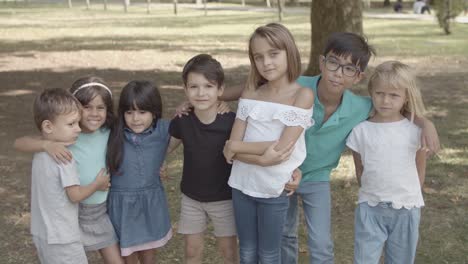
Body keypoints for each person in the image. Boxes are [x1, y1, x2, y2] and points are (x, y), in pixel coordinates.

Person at [218, 31, 439, 264]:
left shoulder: (362, 107)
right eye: (333, 63)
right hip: (281, 172)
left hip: (318, 178)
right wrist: (213, 97)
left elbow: (397, 109)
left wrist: (426, 123)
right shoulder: (297, 87)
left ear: (358, 77)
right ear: (322, 62)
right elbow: (254, 88)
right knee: (285, 235)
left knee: (321, 243)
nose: (338, 73)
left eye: (349, 69)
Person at [223, 23, 314, 263]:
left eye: (274, 54)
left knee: (270, 253)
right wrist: (260, 158)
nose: (267, 63)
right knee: (247, 251)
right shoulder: (251, 93)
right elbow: (232, 144)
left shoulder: (301, 95)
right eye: (258, 57)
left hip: (274, 188)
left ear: (289, 52)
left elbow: (282, 147)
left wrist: (237, 149)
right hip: (241, 183)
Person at [14, 77, 124, 264]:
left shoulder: (108, 132)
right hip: (73, 216)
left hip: (98, 213)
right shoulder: (65, 137)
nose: (94, 113)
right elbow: (19, 143)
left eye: (101, 107)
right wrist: (46, 144)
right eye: (87, 107)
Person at [346, 61, 427, 263]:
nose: (385, 101)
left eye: (394, 95)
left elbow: (420, 169)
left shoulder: (415, 131)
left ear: (406, 97)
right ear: (371, 92)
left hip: (406, 209)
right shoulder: (360, 130)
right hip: (370, 207)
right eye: (380, 93)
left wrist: (410, 196)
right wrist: (371, 191)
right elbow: (360, 169)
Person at [166, 54, 238, 264]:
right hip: (192, 198)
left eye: (208, 86)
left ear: (220, 90)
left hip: (224, 198)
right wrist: (158, 162)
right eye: (194, 87)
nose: (201, 93)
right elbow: (168, 146)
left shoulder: (231, 122)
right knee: (191, 251)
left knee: (229, 252)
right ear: (185, 89)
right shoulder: (183, 120)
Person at [106, 80, 172, 264]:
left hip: (150, 204)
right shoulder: (113, 132)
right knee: (128, 255)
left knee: (149, 255)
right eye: (129, 112)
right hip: (122, 207)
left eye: (142, 112)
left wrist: (186, 106)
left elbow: (190, 124)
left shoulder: (162, 129)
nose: (135, 119)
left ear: (154, 112)